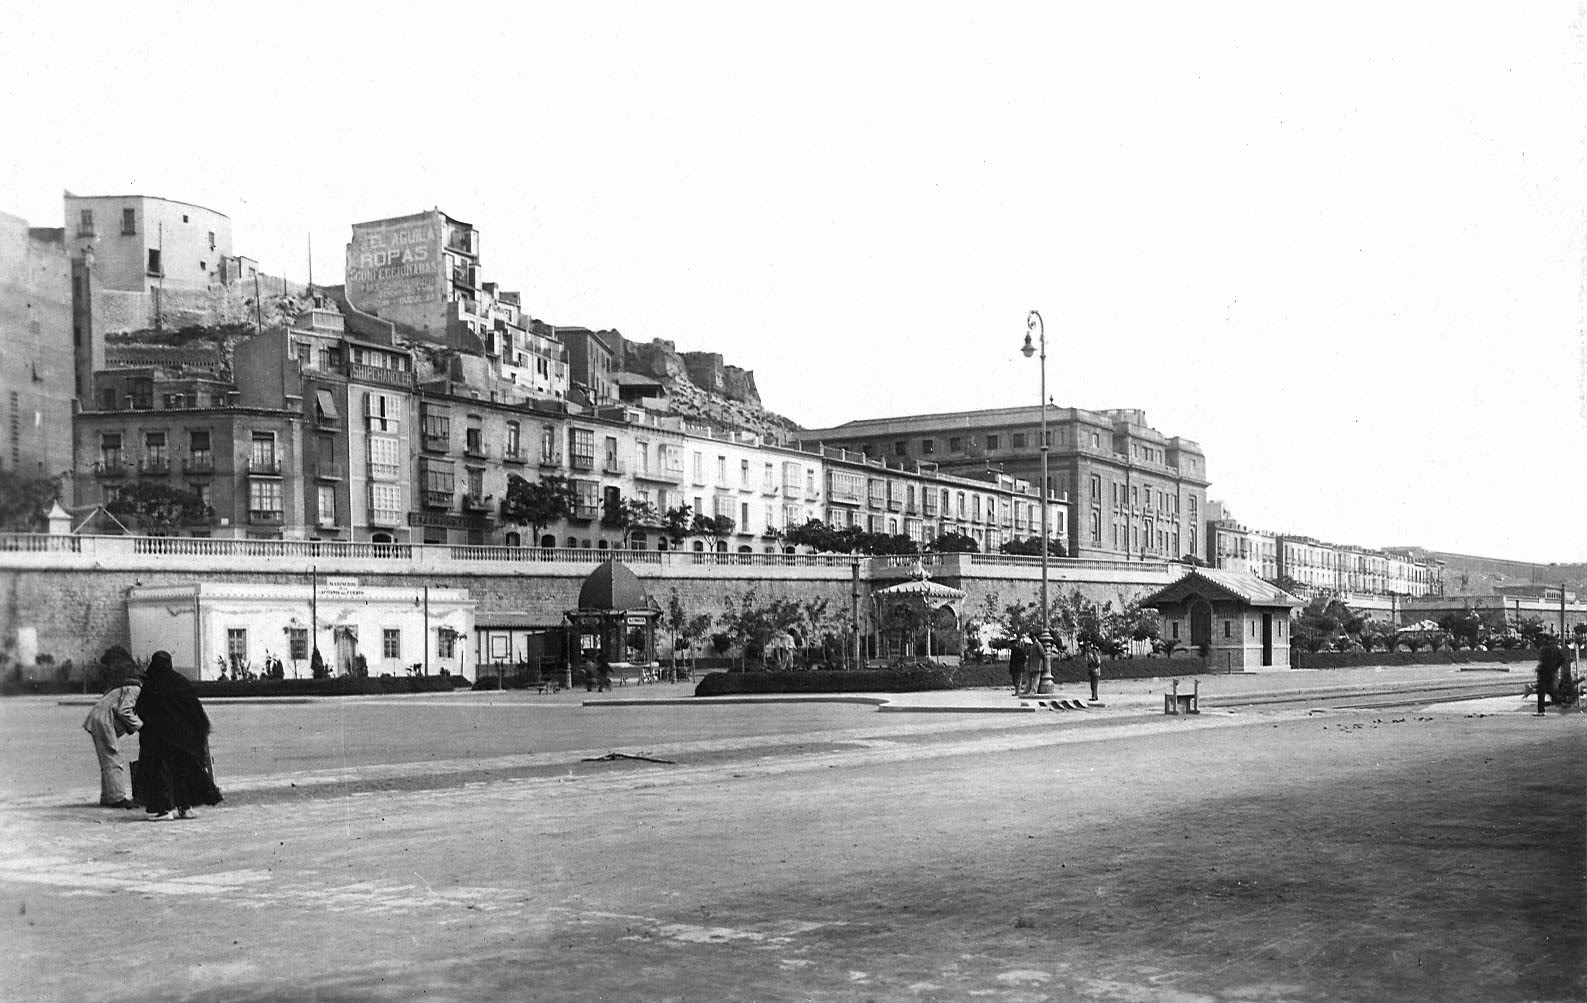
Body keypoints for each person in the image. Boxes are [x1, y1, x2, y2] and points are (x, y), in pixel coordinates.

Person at [133, 651, 222, 820]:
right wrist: (200, 732)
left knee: (161, 774)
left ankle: (164, 810)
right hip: (184, 740)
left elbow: (142, 708)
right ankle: (185, 808)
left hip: (159, 740)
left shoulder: (152, 684)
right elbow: (195, 710)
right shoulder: (181, 682)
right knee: (183, 772)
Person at [82, 668, 143, 808]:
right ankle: (117, 798)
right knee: (113, 758)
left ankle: (108, 796)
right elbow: (124, 711)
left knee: (107, 760)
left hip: (99, 720)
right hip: (104, 723)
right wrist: (141, 726)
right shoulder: (135, 689)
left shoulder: (126, 686)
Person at [1536, 639, 1565, 715]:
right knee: (1549, 689)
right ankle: (1559, 700)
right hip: (1551, 671)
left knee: (1541, 691)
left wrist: (1540, 668)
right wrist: (1555, 668)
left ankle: (1541, 710)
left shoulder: (1544, 649)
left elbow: (1542, 661)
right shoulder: (1555, 648)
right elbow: (1562, 659)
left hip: (1544, 671)